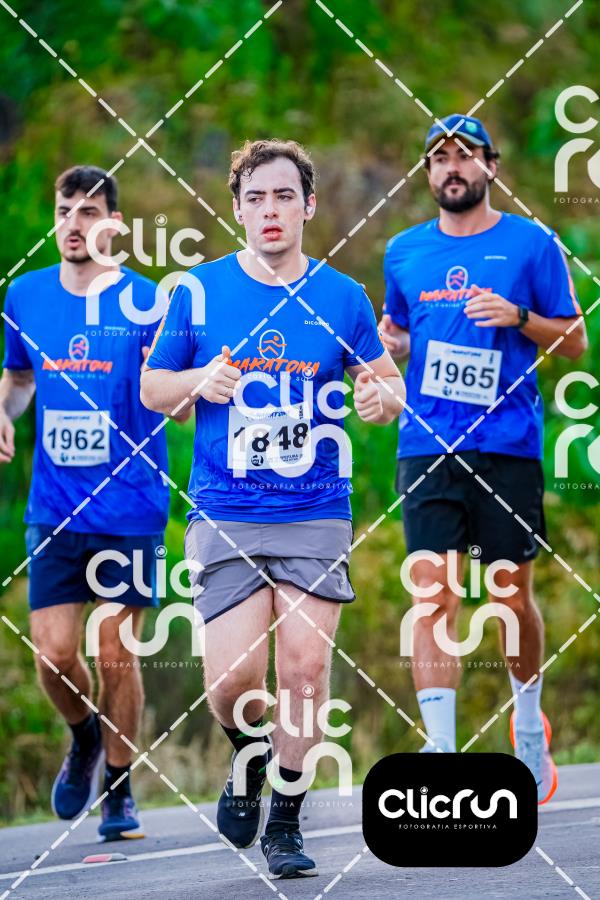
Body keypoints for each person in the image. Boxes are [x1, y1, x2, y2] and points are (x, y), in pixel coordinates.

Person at [141, 139, 405, 878]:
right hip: (225, 508)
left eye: (284, 196)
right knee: (232, 683)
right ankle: (249, 753)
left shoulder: (342, 297)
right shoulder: (199, 291)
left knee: (305, 672)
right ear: (237, 209)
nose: (270, 210)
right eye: (255, 198)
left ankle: (285, 822)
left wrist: (380, 399)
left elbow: (387, 386)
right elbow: (153, 389)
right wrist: (199, 380)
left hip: (316, 507)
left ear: (307, 206)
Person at [379, 114, 588, 803]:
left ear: (490, 167)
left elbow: (575, 342)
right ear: (427, 173)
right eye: (439, 157)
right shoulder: (404, 252)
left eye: (465, 155)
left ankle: (528, 723)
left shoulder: (533, 244)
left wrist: (519, 318)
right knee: (432, 594)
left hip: (507, 445)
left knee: (508, 595)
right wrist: (390, 347)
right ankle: (442, 749)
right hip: (426, 444)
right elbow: (397, 332)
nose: (452, 167)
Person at [0, 166, 175, 840]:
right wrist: (3, 411)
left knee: (113, 651)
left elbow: (169, 390)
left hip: (130, 507)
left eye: (89, 211)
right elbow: (19, 378)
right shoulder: (26, 294)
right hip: (54, 508)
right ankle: (84, 737)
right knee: (51, 655)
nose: (74, 223)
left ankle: (120, 792)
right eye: (64, 209)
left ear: (115, 225)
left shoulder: (146, 302)